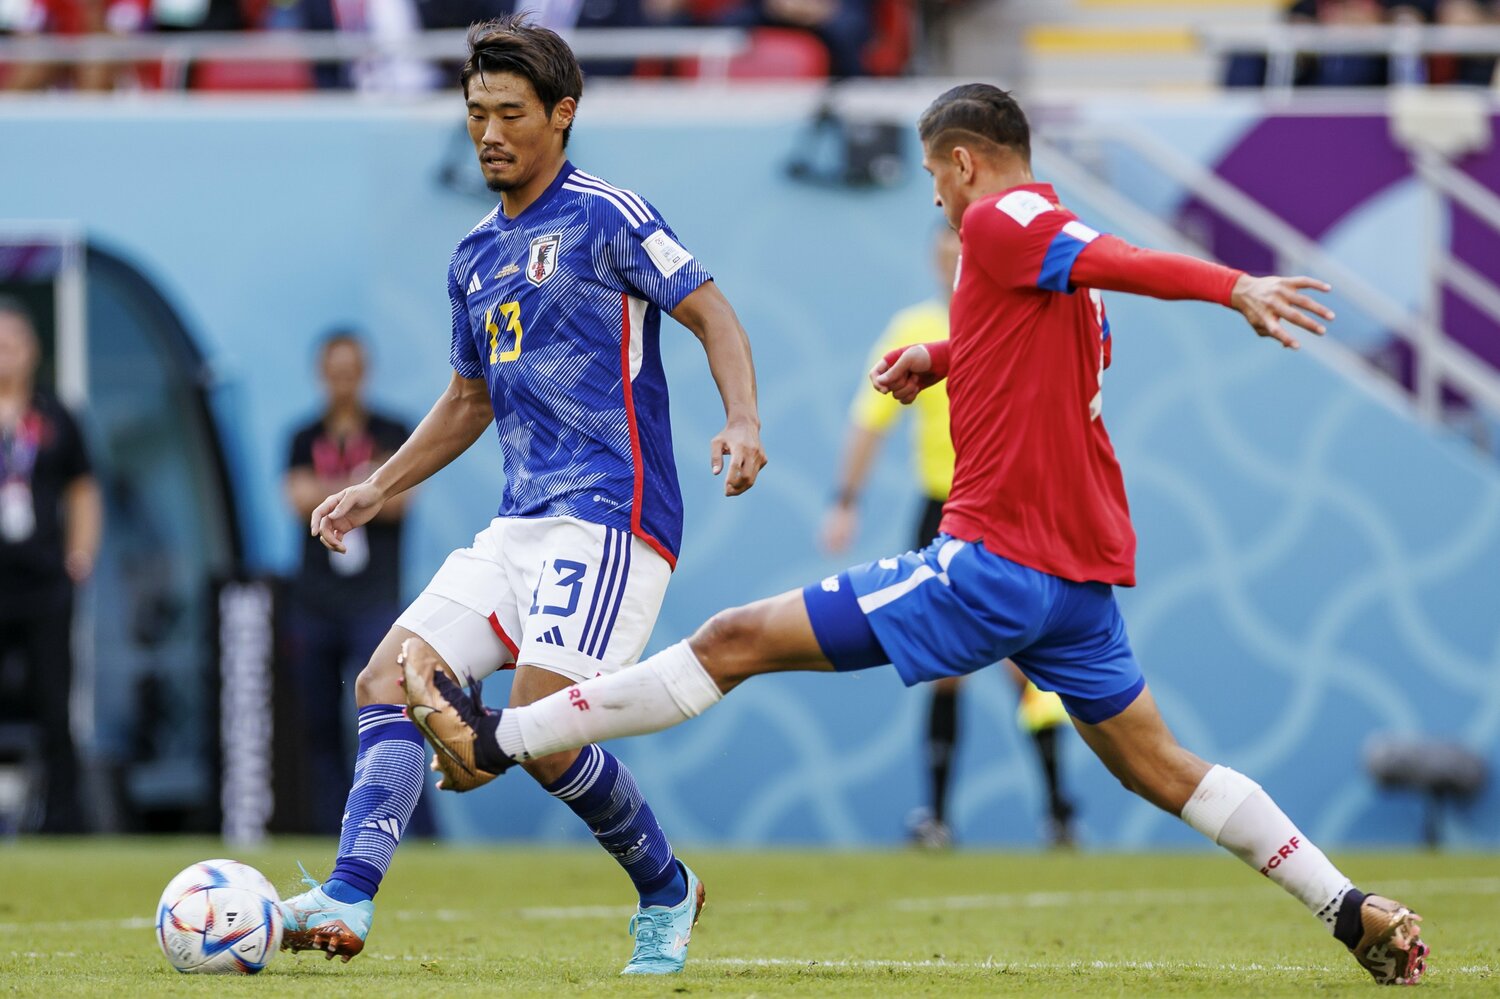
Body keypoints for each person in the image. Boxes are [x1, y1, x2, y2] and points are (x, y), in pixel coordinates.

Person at [404, 83, 1429, 986]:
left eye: (937, 182)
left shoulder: (1000, 221)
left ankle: (500, 737)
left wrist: (1233, 285)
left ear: (965, 162)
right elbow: (1040, 328)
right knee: (1161, 769)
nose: (937, 205)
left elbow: (1116, 257)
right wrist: (939, 357)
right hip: (1075, 585)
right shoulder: (1043, 254)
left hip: (992, 564)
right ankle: (1349, 909)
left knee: (732, 642)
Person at [280, 15, 766, 976]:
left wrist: (742, 419)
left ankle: (667, 890)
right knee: (384, 681)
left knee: (543, 733)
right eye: (475, 115)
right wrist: (376, 484)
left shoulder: (610, 215)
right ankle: (348, 897)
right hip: (518, 525)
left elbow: (710, 309)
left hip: (613, 516)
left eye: (510, 113)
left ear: (562, 114)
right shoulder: (471, 255)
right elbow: (468, 398)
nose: (490, 132)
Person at [821, 225, 1075, 849]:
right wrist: (846, 502)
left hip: (1010, 508)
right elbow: (868, 419)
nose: (952, 265)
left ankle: (1059, 810)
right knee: (944, 662)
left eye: (961, 254)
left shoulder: (1015, 319)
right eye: (942, 255)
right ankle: (936, 816)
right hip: (942, 509)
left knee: (1026, 662)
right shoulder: (912, 328)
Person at [282, 332, 412, 834]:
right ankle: (328, 826)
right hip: (316, 602)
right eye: (334, 371)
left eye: (351, 370)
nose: (343, 380)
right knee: (316, 723)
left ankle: (407, 827)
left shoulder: (391, 430)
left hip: (374, 600)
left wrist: (339, 491)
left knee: (390, 711)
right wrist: (363, 488)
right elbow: (295, 497)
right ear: (322, 374)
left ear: (364, 372)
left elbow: (400, 497)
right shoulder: (303, 436)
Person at [0, 296, 101, 833]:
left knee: (53, 702)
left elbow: (84, 489)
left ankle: (63, 819)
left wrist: (80, 553)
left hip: (42, 584)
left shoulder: (56, 416)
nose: (4, 354)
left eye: (13, 343)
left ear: (33, 351)